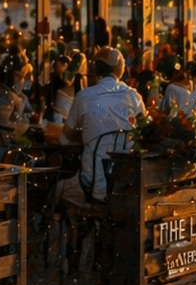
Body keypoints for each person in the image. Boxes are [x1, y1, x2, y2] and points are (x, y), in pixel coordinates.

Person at [61, 47, 145, 203]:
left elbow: (65, 137)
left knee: (60, 188)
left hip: (91, 181)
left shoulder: (83, 96)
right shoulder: (133, 95)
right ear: (120, 70)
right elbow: (144, 129)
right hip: (126, 182)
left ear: (96, 70)